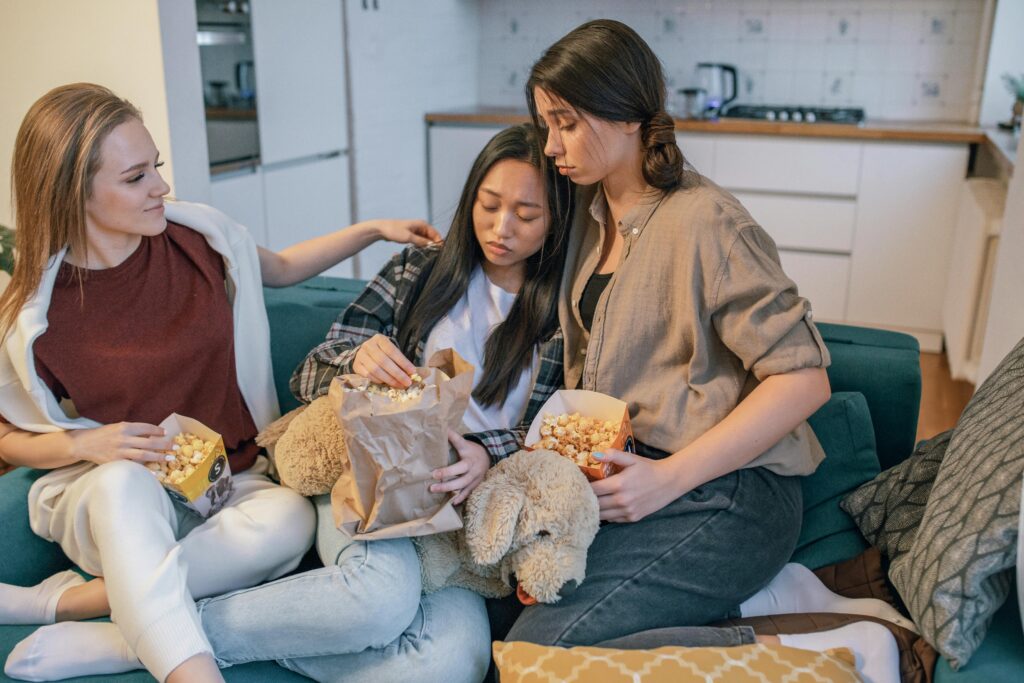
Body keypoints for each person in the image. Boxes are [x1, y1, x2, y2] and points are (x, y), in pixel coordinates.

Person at [4, 122, 572, 682]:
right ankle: (163, 644)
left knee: (449, 663)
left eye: (527, 215)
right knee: (375, 600)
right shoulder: (419, 272)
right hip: (365, 483)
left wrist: (483, 453)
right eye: (488, 203)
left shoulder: (568, 312)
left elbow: (555, 434)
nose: (501, 228)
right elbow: (314, 370)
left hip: (438, 510)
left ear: (557, 223)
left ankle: (136, 638)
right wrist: (356, 360)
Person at [512, 19, 904, 683]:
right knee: (518, 613)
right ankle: (776, 598)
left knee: (538, 650)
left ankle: (830, 643)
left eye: (566, 122)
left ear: (629, 115)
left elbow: (804, 380)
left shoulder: (708, 222)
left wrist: (667, 478)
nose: (551, 145)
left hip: (729, 495)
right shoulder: (592, 213)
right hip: (642, 483)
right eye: (546, 123)